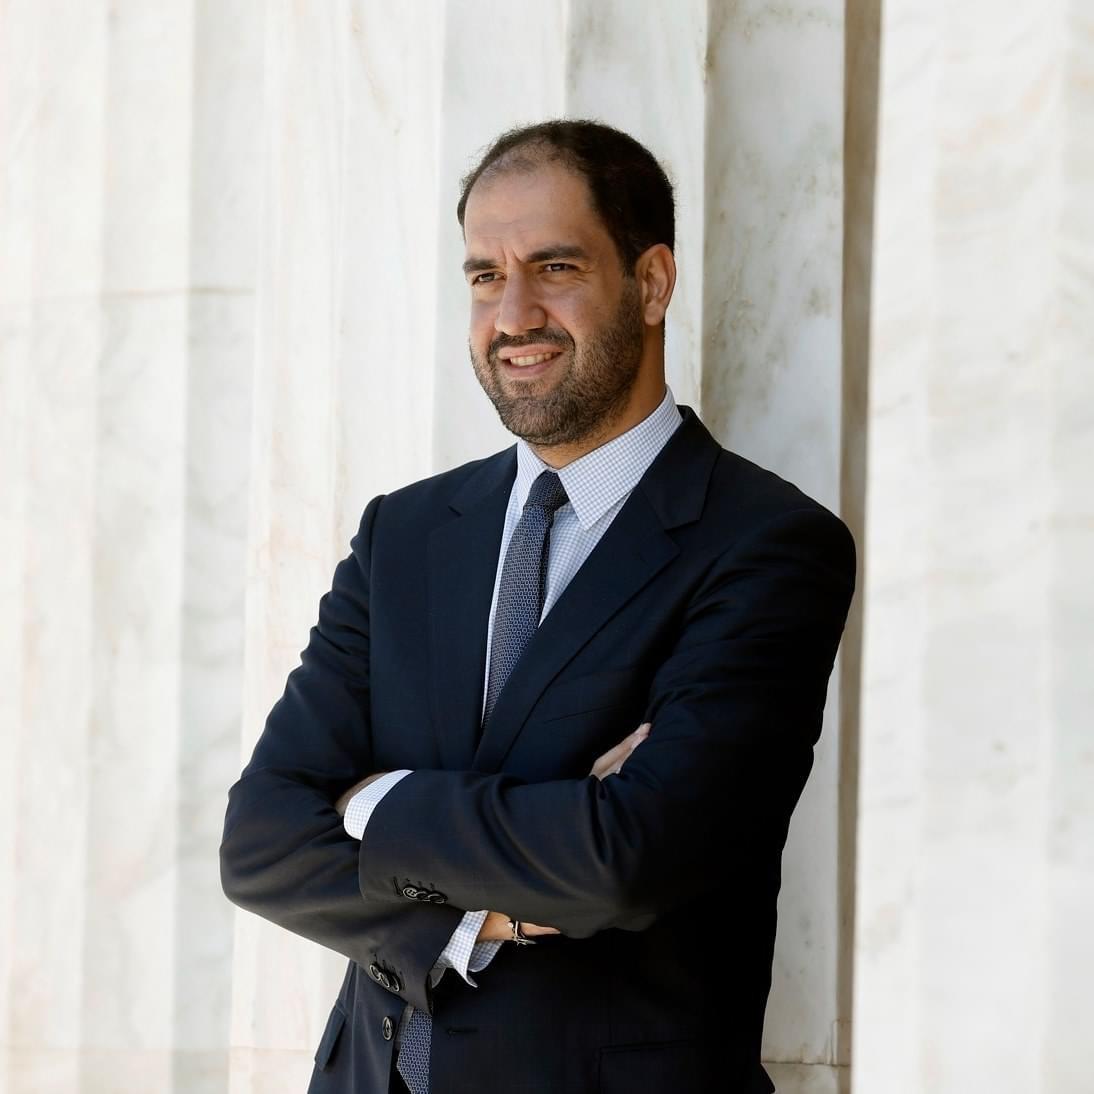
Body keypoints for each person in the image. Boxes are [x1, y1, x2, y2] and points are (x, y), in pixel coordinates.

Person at [220, 118, 856, 1094]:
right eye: (485, 276)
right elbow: (261, 839)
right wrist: (480, 909)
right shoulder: (404, 533)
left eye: (554, 267)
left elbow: (627, 855)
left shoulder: (766, 544)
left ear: (651, 282)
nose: (513, 314)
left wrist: (372, 802)